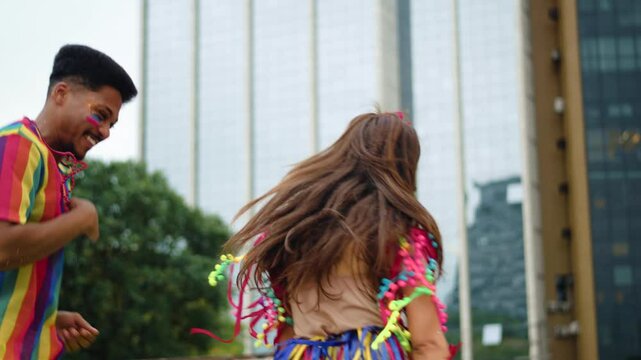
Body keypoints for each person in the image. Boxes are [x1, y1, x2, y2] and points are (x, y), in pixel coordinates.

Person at [195, 112, 458, 359]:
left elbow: (286, 333)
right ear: (403, 167)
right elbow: (428, 343)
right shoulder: (396, 236)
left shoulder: (294, 233)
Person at [0, 44, 137, 358]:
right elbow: (3, 247)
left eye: (111, 124)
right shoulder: (18, 145)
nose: (104, 132)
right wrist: (81, 218)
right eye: (101, 115)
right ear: (60, 94)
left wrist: (44, 318)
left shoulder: (49, 163)